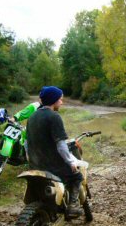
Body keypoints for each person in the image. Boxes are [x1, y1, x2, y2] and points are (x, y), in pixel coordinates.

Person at [26, 86, 83, 218]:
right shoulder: (54, 117)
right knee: (77, 177)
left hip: (35, 166)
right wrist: (70, 162)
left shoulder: (32, 117)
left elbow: (26, 144)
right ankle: (72, 207)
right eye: (60, 99)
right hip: (52, 167)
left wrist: (31, 160)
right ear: (54, 100)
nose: (62, 102)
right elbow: (61, 145)